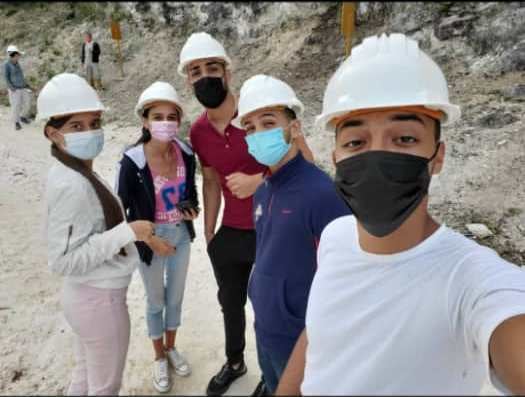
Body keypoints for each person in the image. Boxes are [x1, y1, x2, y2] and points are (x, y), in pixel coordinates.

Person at [276, 33, 525, 395]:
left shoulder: (473, 281)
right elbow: (319, 335)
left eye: (405, 138)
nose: (376, 155)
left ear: (437, 157)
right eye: (356, 142)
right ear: (335, 158)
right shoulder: (335, 235)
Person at [232, 74, 350, 396]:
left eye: (268, 122)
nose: (257, 134)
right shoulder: (263, 190)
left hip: (300, 340)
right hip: (265, 326)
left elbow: (345, 280)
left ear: (294, 128)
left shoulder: (322, 195)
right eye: (250, 128)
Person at [39, 73, 156, 395]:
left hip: (84, 298)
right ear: (54, 133)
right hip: (99, 301)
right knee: (105, 386)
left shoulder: (73, 169)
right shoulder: (72, 183)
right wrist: (127, 232)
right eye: (76, 126)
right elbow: (62, 260)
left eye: (94, 122)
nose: (90, 132)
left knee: (85, 376)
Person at [178, 31, 269, 396]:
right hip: (230, 230)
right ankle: (235, 362)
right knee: (230, 303)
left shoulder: (256, 111)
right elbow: (212, 180)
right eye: (195, 71)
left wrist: (258, 179)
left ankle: (273, 372)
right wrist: (211, 232)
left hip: (272, 226)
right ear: (188, 79)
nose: (205, 77)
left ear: (227, 72)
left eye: (212, 67)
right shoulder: (198, 130)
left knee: (268, 305)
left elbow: (301, 162)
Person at [115, 81, 199, 393]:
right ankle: (159, 356)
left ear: (178, 120)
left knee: (175, 297)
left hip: (181, 235)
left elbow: (189, 194)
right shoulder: (132, 161)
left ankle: (172, 347)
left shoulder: (186, 153)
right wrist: (151, 240)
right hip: (150, 241)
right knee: (156, 300)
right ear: (145, 121)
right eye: (158, 116)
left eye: (171, 116)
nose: (165, 123)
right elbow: (120, 210)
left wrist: (191, 209)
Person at [4, 45, 32, 130]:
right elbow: (6, 77)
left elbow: (20, 76)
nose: (19, 57)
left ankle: (23, 117)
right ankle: (16, 122)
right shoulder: (7, 65)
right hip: (14, 89)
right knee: (16, 106)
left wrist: (26, 84)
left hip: (23, 87)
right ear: (12, 55)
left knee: (27, 103)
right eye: (17, 55)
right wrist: (11, 88)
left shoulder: (17, 63)